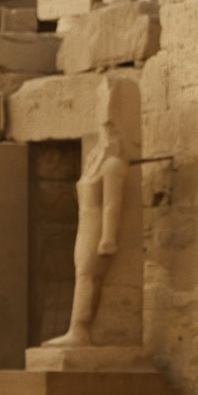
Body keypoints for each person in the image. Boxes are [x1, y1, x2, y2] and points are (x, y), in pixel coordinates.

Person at [43, 124, 128, 347]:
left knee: (87, 275)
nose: (106, 136)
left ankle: (79, 329)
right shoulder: (96, 163)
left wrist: (108, 237)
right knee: (83, 273)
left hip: (98, 227)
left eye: (110, 130)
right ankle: (80, 328)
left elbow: (112, 205)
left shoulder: (113, 165)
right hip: (86, 224)